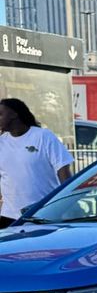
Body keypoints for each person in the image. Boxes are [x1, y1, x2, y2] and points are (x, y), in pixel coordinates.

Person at [0, 98, 73, 228]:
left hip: (43, 214)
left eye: (0, 114)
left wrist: (68, 203)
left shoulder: (43, 136)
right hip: (9, 216)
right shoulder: (2, 142)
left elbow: (63, 171)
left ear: (14, 114)